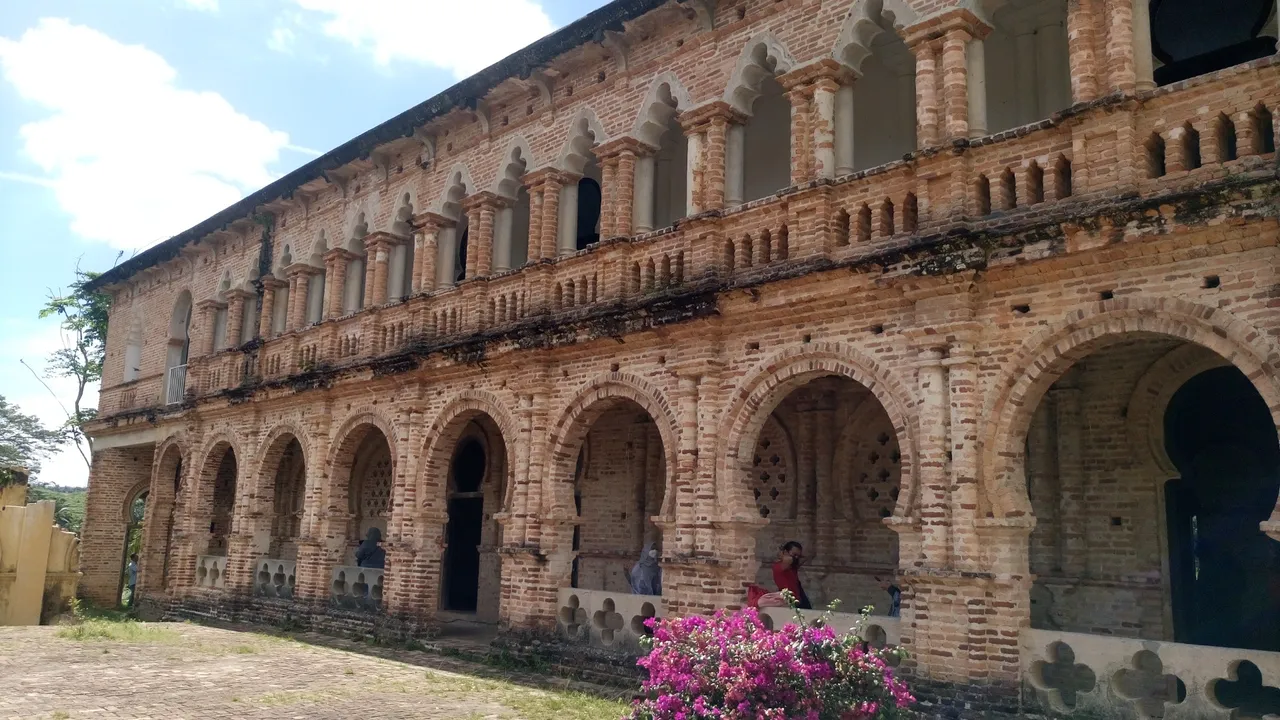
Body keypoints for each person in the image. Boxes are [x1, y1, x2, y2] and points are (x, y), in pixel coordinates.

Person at [772, 541, 812, 609]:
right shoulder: (778, 567)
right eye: (794, 554)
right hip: (789, 599)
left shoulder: (792, 567)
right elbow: (789, 560)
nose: (796, 558)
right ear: (785, 552)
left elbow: (806, 557)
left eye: (798, 556)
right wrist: (783, 553)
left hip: (799, 598)